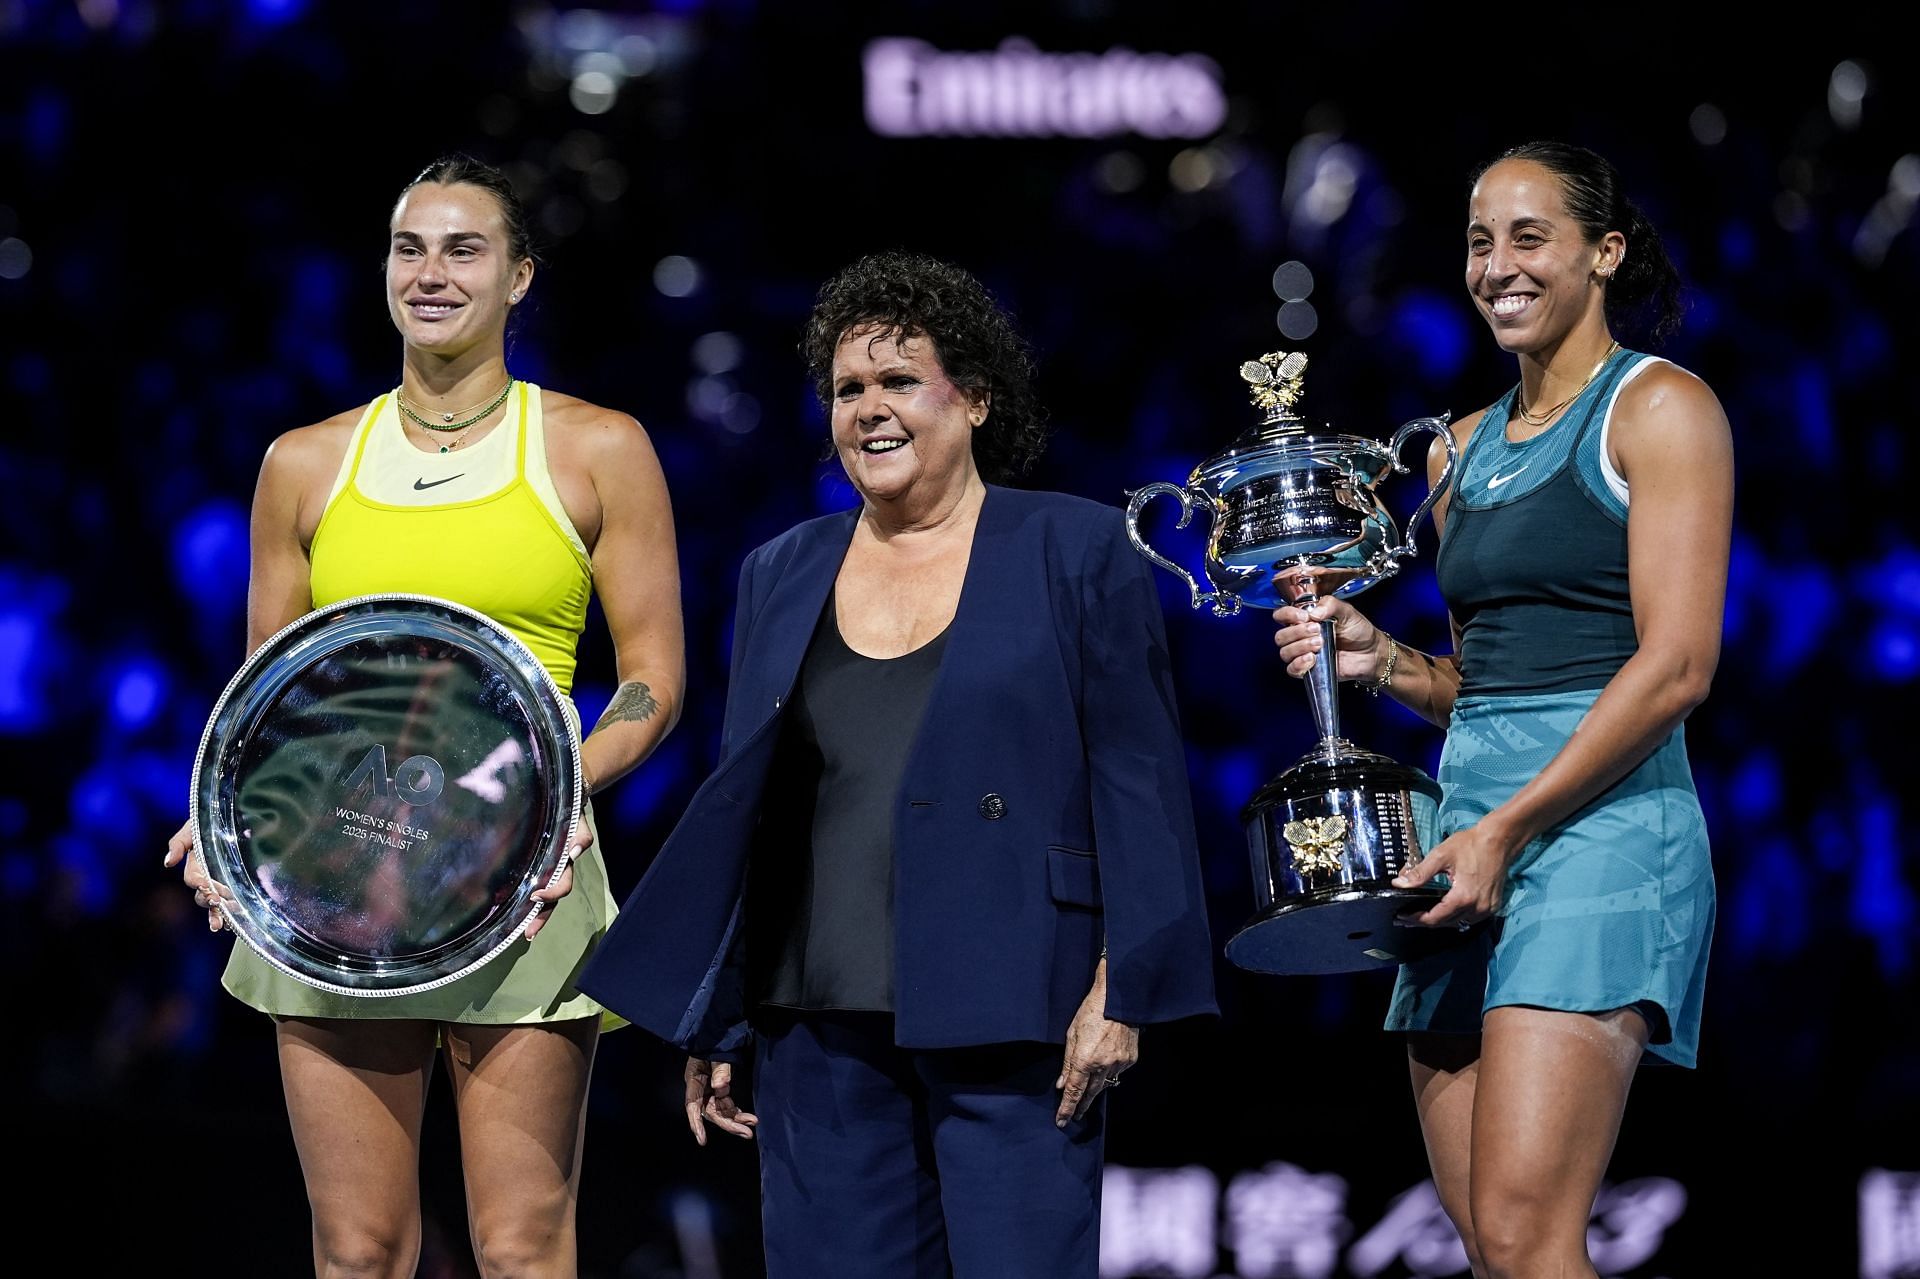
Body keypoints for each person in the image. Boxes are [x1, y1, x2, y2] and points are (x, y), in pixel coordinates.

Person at [578, 251, 1215, 1278]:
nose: (868, 409)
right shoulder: (779, 569)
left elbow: (1137, 780)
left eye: (898, 382)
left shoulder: (1079, 546)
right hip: (816, 1014)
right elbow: (754, 804)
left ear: (974, 398)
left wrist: (1125, 986)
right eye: (847, 389)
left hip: (1020, 1006)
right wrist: (723, 1008)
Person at [163, 154, 684, 1278]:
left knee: (522, 1246)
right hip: (341, 877)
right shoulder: (302, 463)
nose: (432, 273)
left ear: (520, 277)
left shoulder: (598, 447)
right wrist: (221, 818)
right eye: (410, 247)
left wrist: (559, 793)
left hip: (525, 881)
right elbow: (270, 696)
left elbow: (652, 678)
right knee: (355, 1249)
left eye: (464, 249)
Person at [1273, 140, 1731, 1279]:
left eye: (1531, 237)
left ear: (1604, 253)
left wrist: (1508, 828)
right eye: (1481, 241)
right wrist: (1383, 662)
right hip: (1463, 840)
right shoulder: (1459, 449)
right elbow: (1487, 689)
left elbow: (1676, 668)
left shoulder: (1662, 407)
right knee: (1491, 1247)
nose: (1498, 266)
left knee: (1532, 1238)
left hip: (1594, 835)